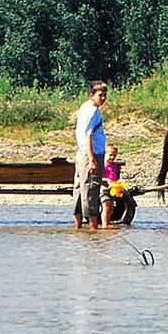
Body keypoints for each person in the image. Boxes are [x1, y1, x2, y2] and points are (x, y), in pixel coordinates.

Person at [73, 80, 107, 230]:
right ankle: (93, 229)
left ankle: (78, 227)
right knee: (91, 189)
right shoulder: (92, 111)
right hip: (90, 154)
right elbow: (88, 135)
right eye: (100, 95)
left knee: (80, 189)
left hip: (82, 153)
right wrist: (92, 160)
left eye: (105, 95)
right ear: (92, 95)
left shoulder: (84, 107)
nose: (103, 98)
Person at [100, 144, 120, 228]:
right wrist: (106, 180)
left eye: (114, 156)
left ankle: (107, 222)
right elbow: (98, 177)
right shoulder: (102, 165)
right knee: (106, 206)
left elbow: (115, 176)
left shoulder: (114, 165)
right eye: (110, 155)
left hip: (112, 188)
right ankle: (105, 225)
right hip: (103, 187)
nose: (112, 157)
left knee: (111, 208)